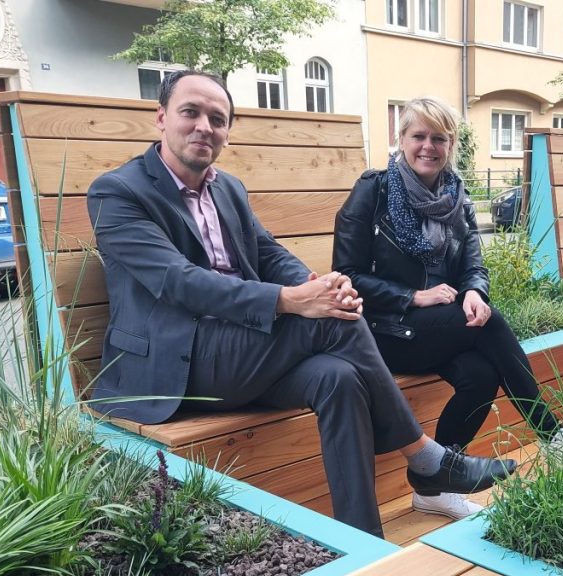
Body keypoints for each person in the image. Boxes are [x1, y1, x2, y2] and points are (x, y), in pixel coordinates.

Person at [86, 71, 515, 538]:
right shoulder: (118, 192)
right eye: (191, 113)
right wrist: (291, 301)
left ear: (227, 130)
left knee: (340, 376)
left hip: (246, 350)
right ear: (162, 118)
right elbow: (178, 281)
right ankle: (426, 458)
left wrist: (318, 285)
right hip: (175, 366)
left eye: (217, 118)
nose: (204, 126)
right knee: (335, 322)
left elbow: (268, 252)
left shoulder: (226, 187)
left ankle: (363, 541)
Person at [334, 96, 563, 521]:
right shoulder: (373, 190)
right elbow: (346, 274)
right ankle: (552, 434)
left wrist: (474, 292)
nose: (428, 146)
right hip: (385, 331)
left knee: (480, 375)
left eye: (438, 138)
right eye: (418, 136)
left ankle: (433, 487)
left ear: (451, 144)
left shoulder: (456, 197)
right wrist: (412, 296)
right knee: (491, 324)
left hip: (437, 328)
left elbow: (473, 265)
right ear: (401, 138)